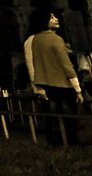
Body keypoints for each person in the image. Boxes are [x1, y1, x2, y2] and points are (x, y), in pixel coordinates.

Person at [25, 10, 83, 142]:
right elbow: (66, 66)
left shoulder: (32, 40)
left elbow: (31, 66)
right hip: (63, 85)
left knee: (51, 120)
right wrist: (78, 89)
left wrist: (36, 88)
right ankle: (72, 144)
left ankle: (54, 144)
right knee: (70, 119)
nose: (56, 19)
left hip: (44, 85)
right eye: (51, 17)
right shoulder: (56, 39)